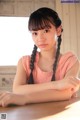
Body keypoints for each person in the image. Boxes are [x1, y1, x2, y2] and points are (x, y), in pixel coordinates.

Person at [0, 7, 80, 107]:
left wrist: (25, 98)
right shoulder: (25, 62)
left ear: (58, 30)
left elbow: (66, 93)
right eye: (35, 33)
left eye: (46, 31)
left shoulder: (70, 60)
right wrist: (58, 85)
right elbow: (17, 89)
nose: (40, 38)